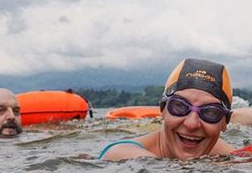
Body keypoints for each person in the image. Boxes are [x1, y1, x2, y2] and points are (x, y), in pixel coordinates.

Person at [99, 58, 235, 161]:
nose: (192, 124)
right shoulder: (123, 154)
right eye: (180, 106)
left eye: (210, 112)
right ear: (163, 110)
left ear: (225, 122)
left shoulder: (224, 153)